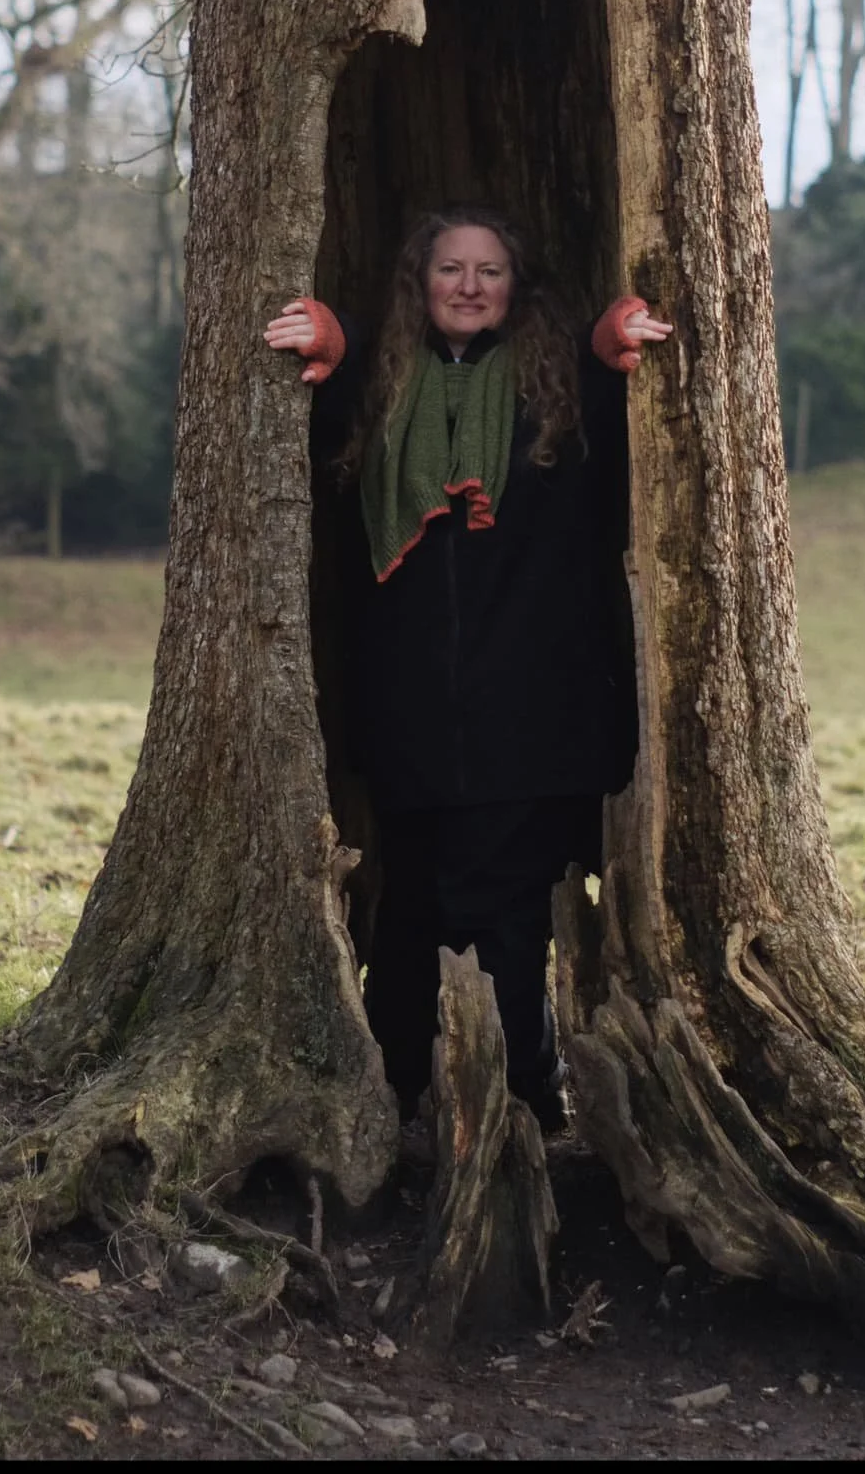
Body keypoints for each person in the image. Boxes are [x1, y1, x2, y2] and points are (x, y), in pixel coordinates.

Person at [264, 207, 673, 1131]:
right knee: (413, 903)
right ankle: (402, 1086)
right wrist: (333, 336)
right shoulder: (384, 385)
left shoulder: (552, 387)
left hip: (534, 709)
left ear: (515, 285)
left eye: (490, 270)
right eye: (451, 268)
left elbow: (616, 411)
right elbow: (330, 401)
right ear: (422, 281)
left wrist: (609, 344)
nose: (470, 286)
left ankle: (524, 1094)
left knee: (508, 908)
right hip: (414, 708)